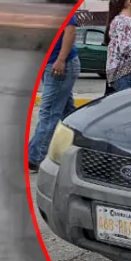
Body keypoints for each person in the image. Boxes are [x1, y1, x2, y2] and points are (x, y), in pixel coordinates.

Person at [25, 16, 83, 172]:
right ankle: (80, 149)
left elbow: (70, 31)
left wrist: (61, 60)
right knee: (68, 114)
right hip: (51, 63)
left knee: (49, 112)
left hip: (60, 65)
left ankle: (34, 157)